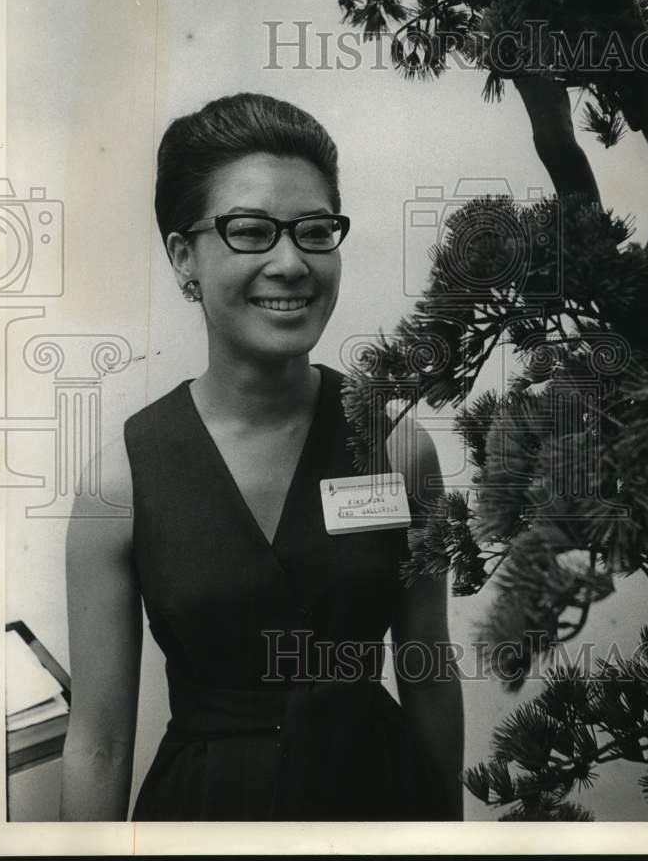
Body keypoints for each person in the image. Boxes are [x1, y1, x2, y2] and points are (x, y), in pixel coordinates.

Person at [59, 92, 465, 821]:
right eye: (250, 231)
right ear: (183, 256)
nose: (290, 263)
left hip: (378, 802)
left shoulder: (397, 448)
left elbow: (428, 673)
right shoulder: (120, 481)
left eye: (314, 231)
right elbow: (99, 743)